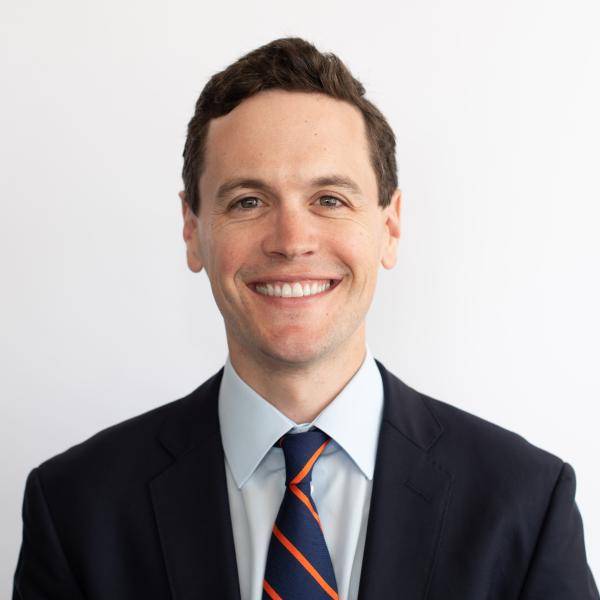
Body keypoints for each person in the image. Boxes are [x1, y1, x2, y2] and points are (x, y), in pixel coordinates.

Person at [12, 36, 598, 600]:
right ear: (193, 231)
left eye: (329, 199)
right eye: (248, 201)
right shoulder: (76, 509)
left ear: (389, 227)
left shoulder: (526, 502)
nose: (292, 241)